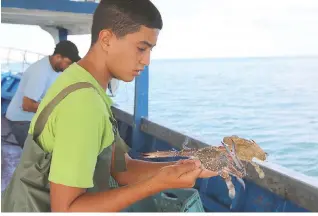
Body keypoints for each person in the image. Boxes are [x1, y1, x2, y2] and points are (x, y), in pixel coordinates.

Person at [1, 0, 217, 212]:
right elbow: (66, 210)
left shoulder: (81, 82)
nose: (147, 60)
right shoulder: (83, 104)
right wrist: (157, 184)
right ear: (106, 39)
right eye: (141, 48)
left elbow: (121, 169)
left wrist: (190, 167)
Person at [5, 40, 81, 148]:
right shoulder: (40, 72)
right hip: (21, 121)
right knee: (38, 156)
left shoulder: (56, 69)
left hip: (34, 118)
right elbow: (27, 105)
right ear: (58, 57)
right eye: (68, 63)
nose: (69, 67)